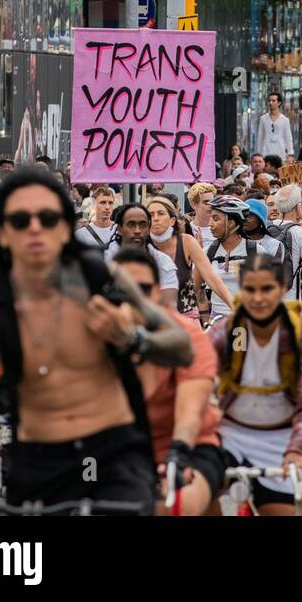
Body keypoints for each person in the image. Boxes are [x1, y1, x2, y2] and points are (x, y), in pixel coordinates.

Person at [0, 169, 193, 515]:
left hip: (113, 456)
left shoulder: (101, 278)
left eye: (47, 217)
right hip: (38, 461)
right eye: (20, 219)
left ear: (63, 228)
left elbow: (181, 345)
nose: (35, 228)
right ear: (2, 233)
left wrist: (131, 338)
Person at [208, 254, 302, 515]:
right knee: (192, 492)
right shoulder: (223, 334)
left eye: (267, 289)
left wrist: (297, 449)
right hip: (228, 436)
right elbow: (199, 385)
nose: (258, 298)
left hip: (280, 440)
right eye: (250, 289)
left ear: (282, 289)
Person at [113, 247, 225, 516]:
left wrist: (178, 452)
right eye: (122, 290)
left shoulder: (186, 334)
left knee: (172, 504)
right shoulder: (93, 335)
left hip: (189, 446)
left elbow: (190, 413)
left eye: (143, 288)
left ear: (156, 291)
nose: (133, 298)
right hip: (120, 451)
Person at [146, 196, 232, 327]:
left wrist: (235, 306)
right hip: (153, 323)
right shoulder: (141, 247)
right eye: (151, 215)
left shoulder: (186, 242)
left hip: (187, 322)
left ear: (172, 220)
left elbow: (211, 278)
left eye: (161, 213)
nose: (156, 218)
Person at [75, 186, 117, 251]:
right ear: (93, 204)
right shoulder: (80, 234)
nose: (107, 207)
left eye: (110, 203)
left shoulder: (120, 231)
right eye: (102, 202)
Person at [256, 92, 294, 162]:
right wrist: (259, 153)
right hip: (266, 153)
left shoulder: (285, 120)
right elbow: (260, 137)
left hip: (281, 153)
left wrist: (290, 153)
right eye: (269, 100)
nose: (270, 103)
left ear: (279, 103)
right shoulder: (263, 119)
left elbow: (288, 137)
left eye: (273, 101)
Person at [186, 182, 218, 249]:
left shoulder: (220, 229)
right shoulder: (187, 230)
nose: (210, 205)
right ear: (193, 204)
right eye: (206, 202)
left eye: (212, 202)